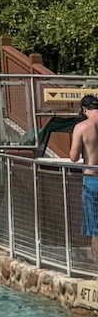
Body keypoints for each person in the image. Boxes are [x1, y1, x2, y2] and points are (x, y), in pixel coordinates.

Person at [69, 94, 98, 263]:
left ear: (85, 109)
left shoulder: (82, 127)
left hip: (92, 180)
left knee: (96, 230)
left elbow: (73, 157)